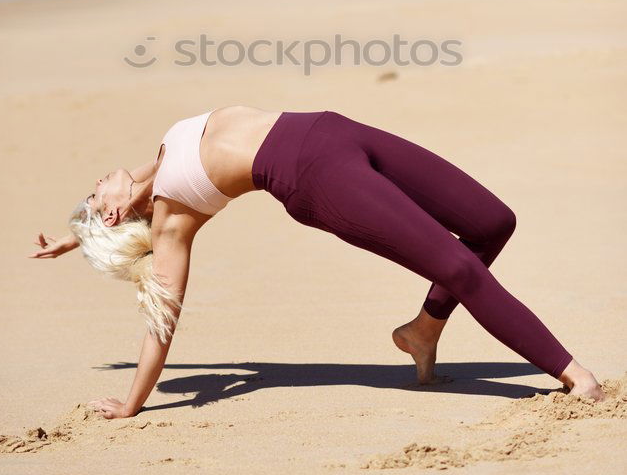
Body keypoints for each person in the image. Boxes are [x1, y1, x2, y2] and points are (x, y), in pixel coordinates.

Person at [30, 105, 605, 418]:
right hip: (318, 180)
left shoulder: (156, 163)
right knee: (457, 264)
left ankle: (423, 329)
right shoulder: (172, 220)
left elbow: (129, 193)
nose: (99, 179)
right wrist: (132, 402)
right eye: (94, 191)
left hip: (337, 131)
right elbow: (161, 324)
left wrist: (75, 238)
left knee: (491, 223)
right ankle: (572, 375)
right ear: (110, 215)